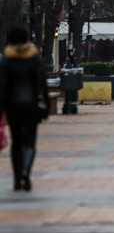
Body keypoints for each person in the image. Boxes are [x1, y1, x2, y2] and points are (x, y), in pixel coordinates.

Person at [0, 26, 49, 191]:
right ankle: (26, 173)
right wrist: (46, 105)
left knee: (16, 142)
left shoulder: (6, 60)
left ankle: (16, 179)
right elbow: (42, 84)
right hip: (31, 106)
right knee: (29, 141)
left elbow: (2, 88)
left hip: (12, 107)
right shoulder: (35, 59)